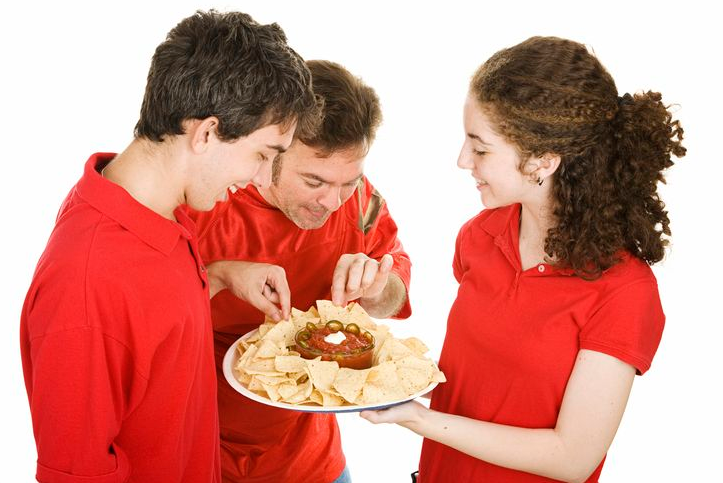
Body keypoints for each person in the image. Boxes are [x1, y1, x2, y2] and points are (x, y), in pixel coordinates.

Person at [361, 36, 686, 483]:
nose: (462, 160)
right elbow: (487, 383)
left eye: (480, 148)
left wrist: (420, 419)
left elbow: (572, 459)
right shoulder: (480, 236)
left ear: (543, 161)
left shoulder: (624, 292)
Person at [19, 10, 318, 483]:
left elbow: (148, 330)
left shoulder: (160, 210)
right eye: (262, 155)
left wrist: (218, 276)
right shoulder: (86, 284)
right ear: (206, 133)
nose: (261, 179)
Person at [189, 59, 412, 483]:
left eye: (348, 181)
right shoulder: (207, 200)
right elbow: (142, 320)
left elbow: (395, 294)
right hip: (204, 454)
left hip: (313, 461)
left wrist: (377, 288)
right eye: (314, 182)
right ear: (271, 151)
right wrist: (217, 275)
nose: (333, 202)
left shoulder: (360, 201)